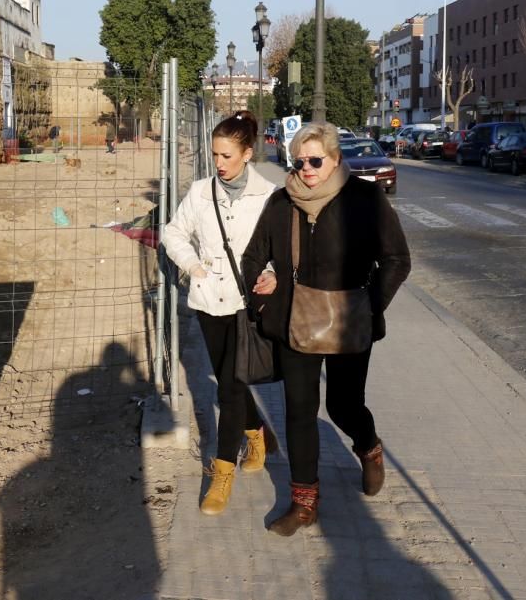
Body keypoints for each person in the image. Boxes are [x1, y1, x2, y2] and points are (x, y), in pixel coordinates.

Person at [242, 121, 411, 536]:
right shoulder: (282, 203)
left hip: (350, 321)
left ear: (336, 159)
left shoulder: (364, 198)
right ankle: (303, 504)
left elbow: (397, 259)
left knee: (343, 406)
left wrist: (370, 306)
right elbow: (252, 257)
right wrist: (264, 287)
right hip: (295, 321)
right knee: (298, 412)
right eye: (299, 161)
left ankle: (368, 446)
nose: (306, 169)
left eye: (315, 160)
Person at [163, 110, 279, 515]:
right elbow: (173, 232)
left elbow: (279, 250)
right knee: (233, 381)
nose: (220, 164)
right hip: (207, 299)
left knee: (228, 386)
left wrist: (272, 274)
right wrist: (191, 263)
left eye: (228, 156)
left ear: (247, 153)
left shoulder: (268, 196)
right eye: (215, 155)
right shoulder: (199, 192)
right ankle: (258, 433)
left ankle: (222, 471)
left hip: (247, 303)